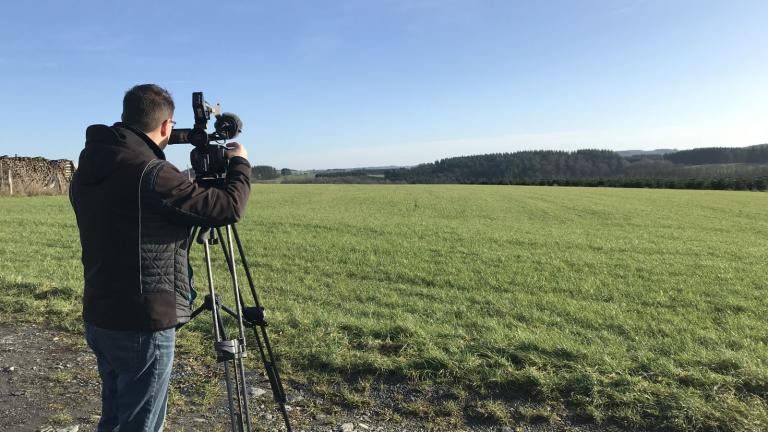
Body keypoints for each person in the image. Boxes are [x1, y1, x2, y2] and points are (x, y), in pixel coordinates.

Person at [69, 84, 251, 431]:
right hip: (142, 323)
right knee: (141, 424)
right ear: (167, 126)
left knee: (115, 417)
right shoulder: (151, 172)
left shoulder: (88, 171)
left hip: (99, 315)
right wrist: (240, 162)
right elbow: (228, 207)